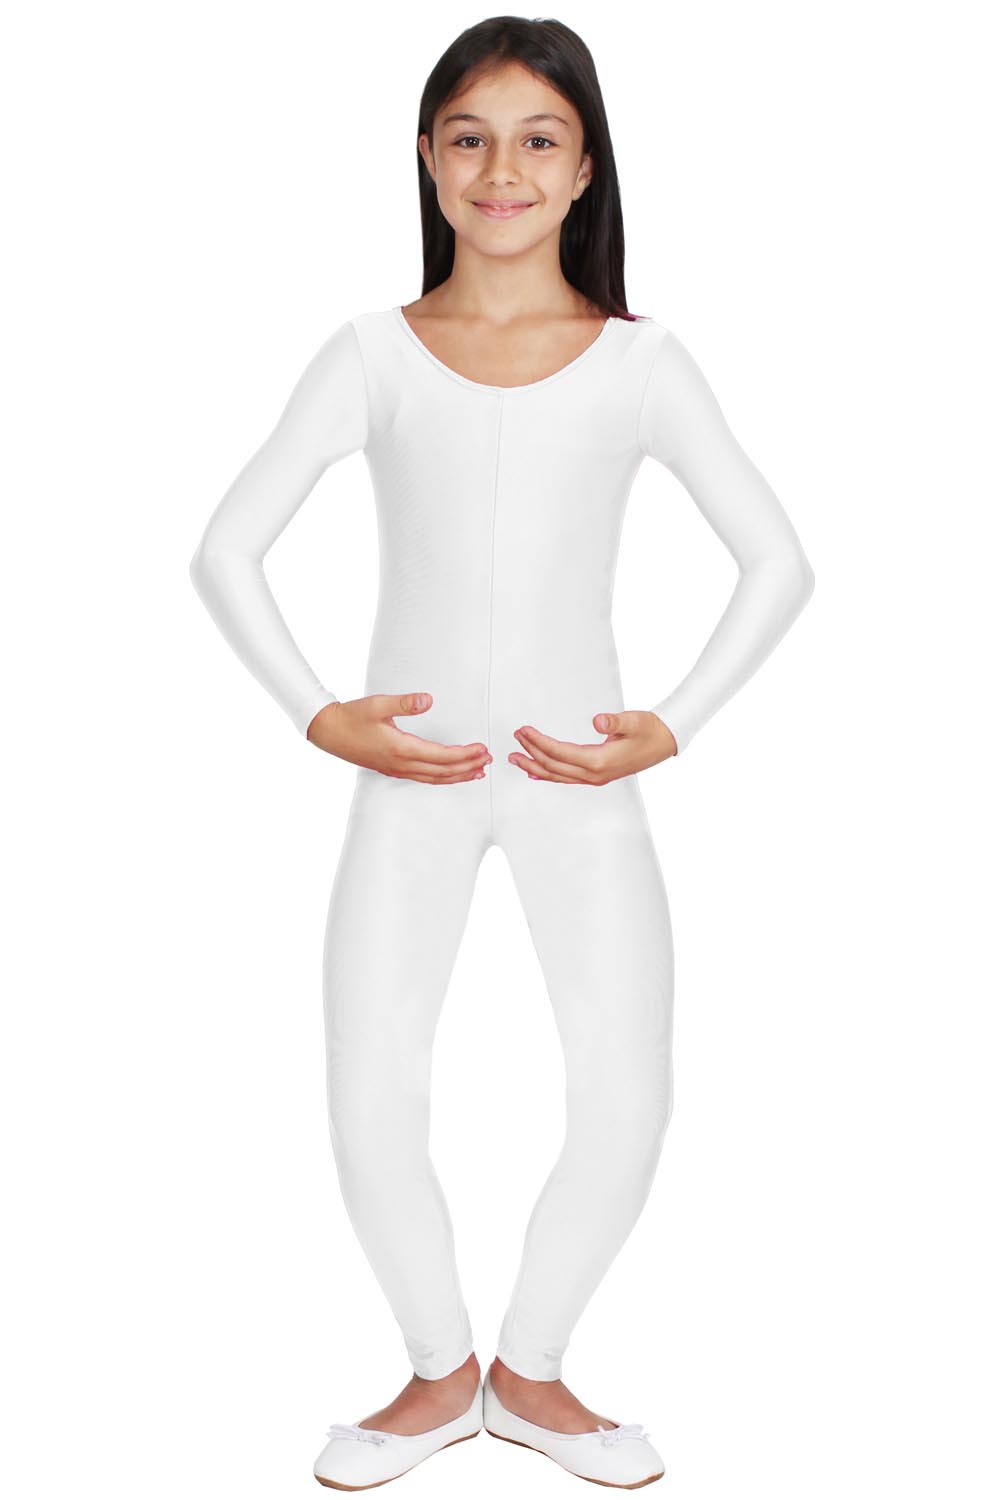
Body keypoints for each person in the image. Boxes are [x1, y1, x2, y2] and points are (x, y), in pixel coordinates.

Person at [188, 17, 815, 1491]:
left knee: (626, 1093)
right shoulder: (370, 355)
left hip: (574, 784)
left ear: (586, 168)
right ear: (427, 158)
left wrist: (672, 721)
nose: (501, 170)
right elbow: (224, 550)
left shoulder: (643, 364)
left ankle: (531, 1369)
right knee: (370, 1091)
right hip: (406, 784)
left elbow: (780, 562)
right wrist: (318, 711)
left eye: (540, 139)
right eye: (468, 138)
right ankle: (434, 1369)